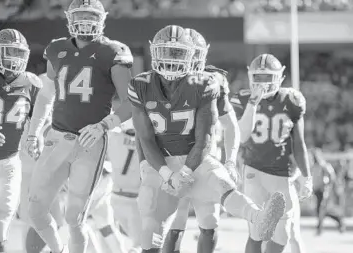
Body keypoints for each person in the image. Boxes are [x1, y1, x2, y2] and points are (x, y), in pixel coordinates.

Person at [128, 24, 286, 253]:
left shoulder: (206, 83)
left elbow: (208, 136)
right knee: (153, 218)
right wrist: (160, 172)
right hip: (161, 160)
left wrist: (196, 169)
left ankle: (258, 217)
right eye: (167, 52)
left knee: (220, 184)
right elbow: (144, 138)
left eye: (178, 53)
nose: (172, 60)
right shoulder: (141, 84)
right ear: (155, 52)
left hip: (197, 157)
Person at [25, 0, 133, 252]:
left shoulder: (113, 51)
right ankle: (58, 249)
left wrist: (104, 125)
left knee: (74, 218)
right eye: (80, 15)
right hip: (57, 137)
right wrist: (33, 134)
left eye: (91, 15)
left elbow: (130, 103)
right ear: (68, 18)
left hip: (90, 142)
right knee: (35, 210)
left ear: (102, 19)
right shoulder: (56, 48)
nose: (85, 20)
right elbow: (46, 94)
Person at [163, 28, 241, 253]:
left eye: (197, 53)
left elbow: (230, 125)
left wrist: (231, 161)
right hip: (174, 160)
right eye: (187, 52)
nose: (193, 58)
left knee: (210, 223)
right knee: (173, 224)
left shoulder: (214, 81)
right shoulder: (164, 79)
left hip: (205, 161)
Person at [230, 53, 312, 253]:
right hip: (254, 171)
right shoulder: (242, 98)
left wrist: (307, 176)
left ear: (279, 78)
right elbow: (241, 136)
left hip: (282, 174)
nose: (263, 84)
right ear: (250, 76)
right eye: (258, 78)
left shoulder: (291, 100)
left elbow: (299, 143)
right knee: (256, 233)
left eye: (268, 77)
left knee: (282, 235)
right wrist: (252, 104)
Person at [0, 28, 42, 253]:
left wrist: (38, 135)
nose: (15, 57)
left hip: (10, 160)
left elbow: (42, 116)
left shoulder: (31, 84)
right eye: (10, 51)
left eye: (18, 52)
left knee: (4, 217)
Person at [106, 119, 142, 253]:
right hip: (135, 201)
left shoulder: (113, 138)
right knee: (140, 244)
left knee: (107, 230)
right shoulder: (145, 142)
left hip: (114, 198)